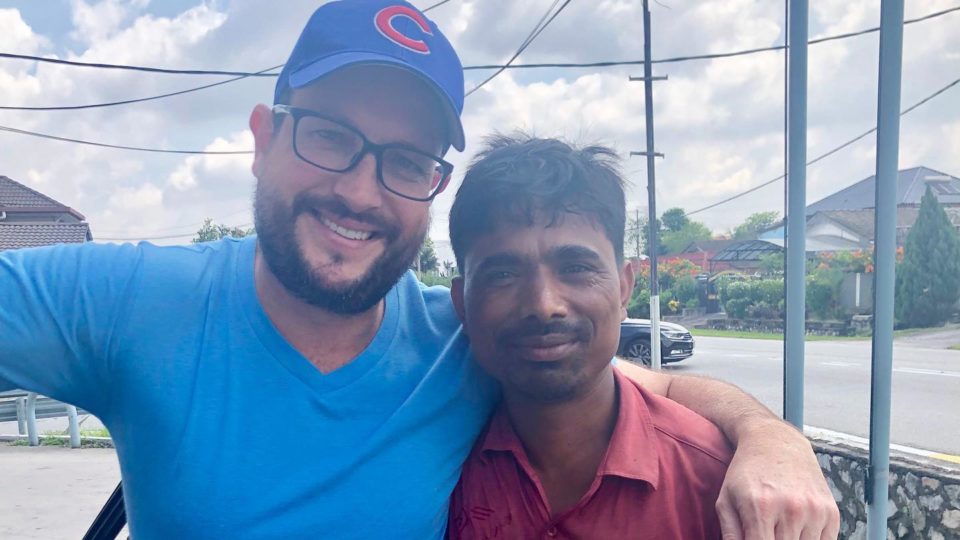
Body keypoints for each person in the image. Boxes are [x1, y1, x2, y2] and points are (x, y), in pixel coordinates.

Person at [0, 0, 838, 538]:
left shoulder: (463, 336)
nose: (359, 191)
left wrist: (774, 438)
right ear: (262, 138)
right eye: (330, 136)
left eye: (405, 161)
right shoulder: (131, 302)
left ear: (432, 190)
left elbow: (643, 385)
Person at [447, 135, 731, 538]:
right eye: (503, 275)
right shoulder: (441, 469)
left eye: (576, 267)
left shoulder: (716, 482)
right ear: (461, 303)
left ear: (623, 285)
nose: (544, 305)